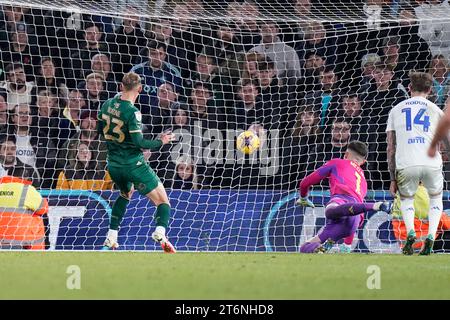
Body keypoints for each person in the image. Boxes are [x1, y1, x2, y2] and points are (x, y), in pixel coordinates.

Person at [98, 72, 176, 253]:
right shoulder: (133, 112)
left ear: (120, 86)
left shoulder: (106, 104)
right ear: (140, 89)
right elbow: (140, 143)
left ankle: (111, 236)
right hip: (133, 165)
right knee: (163, 202)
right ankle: (160, 232)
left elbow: (100, 132)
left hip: (113, 165)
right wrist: (161, 141)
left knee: (126, 193)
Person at [297, 140, 392, 253]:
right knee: (305, 248)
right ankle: (329, 246)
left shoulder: (337, 162)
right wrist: (348, 243)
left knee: (330, 211)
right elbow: (354, 213)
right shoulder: (364, 181)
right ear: (363, 162)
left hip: (340, 202)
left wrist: (303, 198)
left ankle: (376, 205)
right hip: (353, 222)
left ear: (346, 154)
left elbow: (305, 183)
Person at [387, 72, 445, 255]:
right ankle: (430, 236)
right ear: (429, 90)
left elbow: (390, 147)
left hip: (406, 162)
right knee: (435, 198)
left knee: (406, 199)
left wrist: (392, 177)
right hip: (431, 161)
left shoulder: (396, 109)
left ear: (409, 89)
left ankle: (410, 232)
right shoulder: (436, 110)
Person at [0, 175, 48, 249]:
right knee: (37, 218)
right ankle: (37, 254)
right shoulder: (27, 189)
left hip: (4, 240)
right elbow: (43, 209)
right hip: (21, 241)